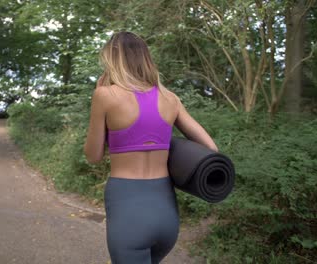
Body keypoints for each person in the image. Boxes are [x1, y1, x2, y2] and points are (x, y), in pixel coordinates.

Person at [83, 31, 218, 264]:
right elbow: (210, 149)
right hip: (166, 216)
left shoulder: (104, 95)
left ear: (113, 61)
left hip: (129, 214)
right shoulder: (170, 98)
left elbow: (93, 156)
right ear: (145, 59)